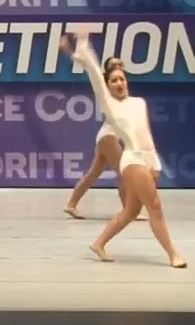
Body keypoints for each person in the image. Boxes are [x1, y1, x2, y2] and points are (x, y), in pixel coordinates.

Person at [61, 32, 185, 268]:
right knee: (155, 208)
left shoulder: (139, 102)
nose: (119, 83)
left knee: (130, 211)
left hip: (148, 161)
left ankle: (99, 243)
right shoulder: (110, 107)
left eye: (122, 79)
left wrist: (155, 164)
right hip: (132, 160)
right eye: (114, 81)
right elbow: (94, 74)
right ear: (108, 87)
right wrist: (83, 44)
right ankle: (173, 255)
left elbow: (147, 137)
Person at [63, 56, 148, 221]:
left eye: (120, 64)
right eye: (114, 66)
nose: (118, 67)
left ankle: (71, 204)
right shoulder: (108, 93)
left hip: (106, 136)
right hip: (108, 137)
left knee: (93, 174)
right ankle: (129, 210)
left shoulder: (125, 92)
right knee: (124, 173)